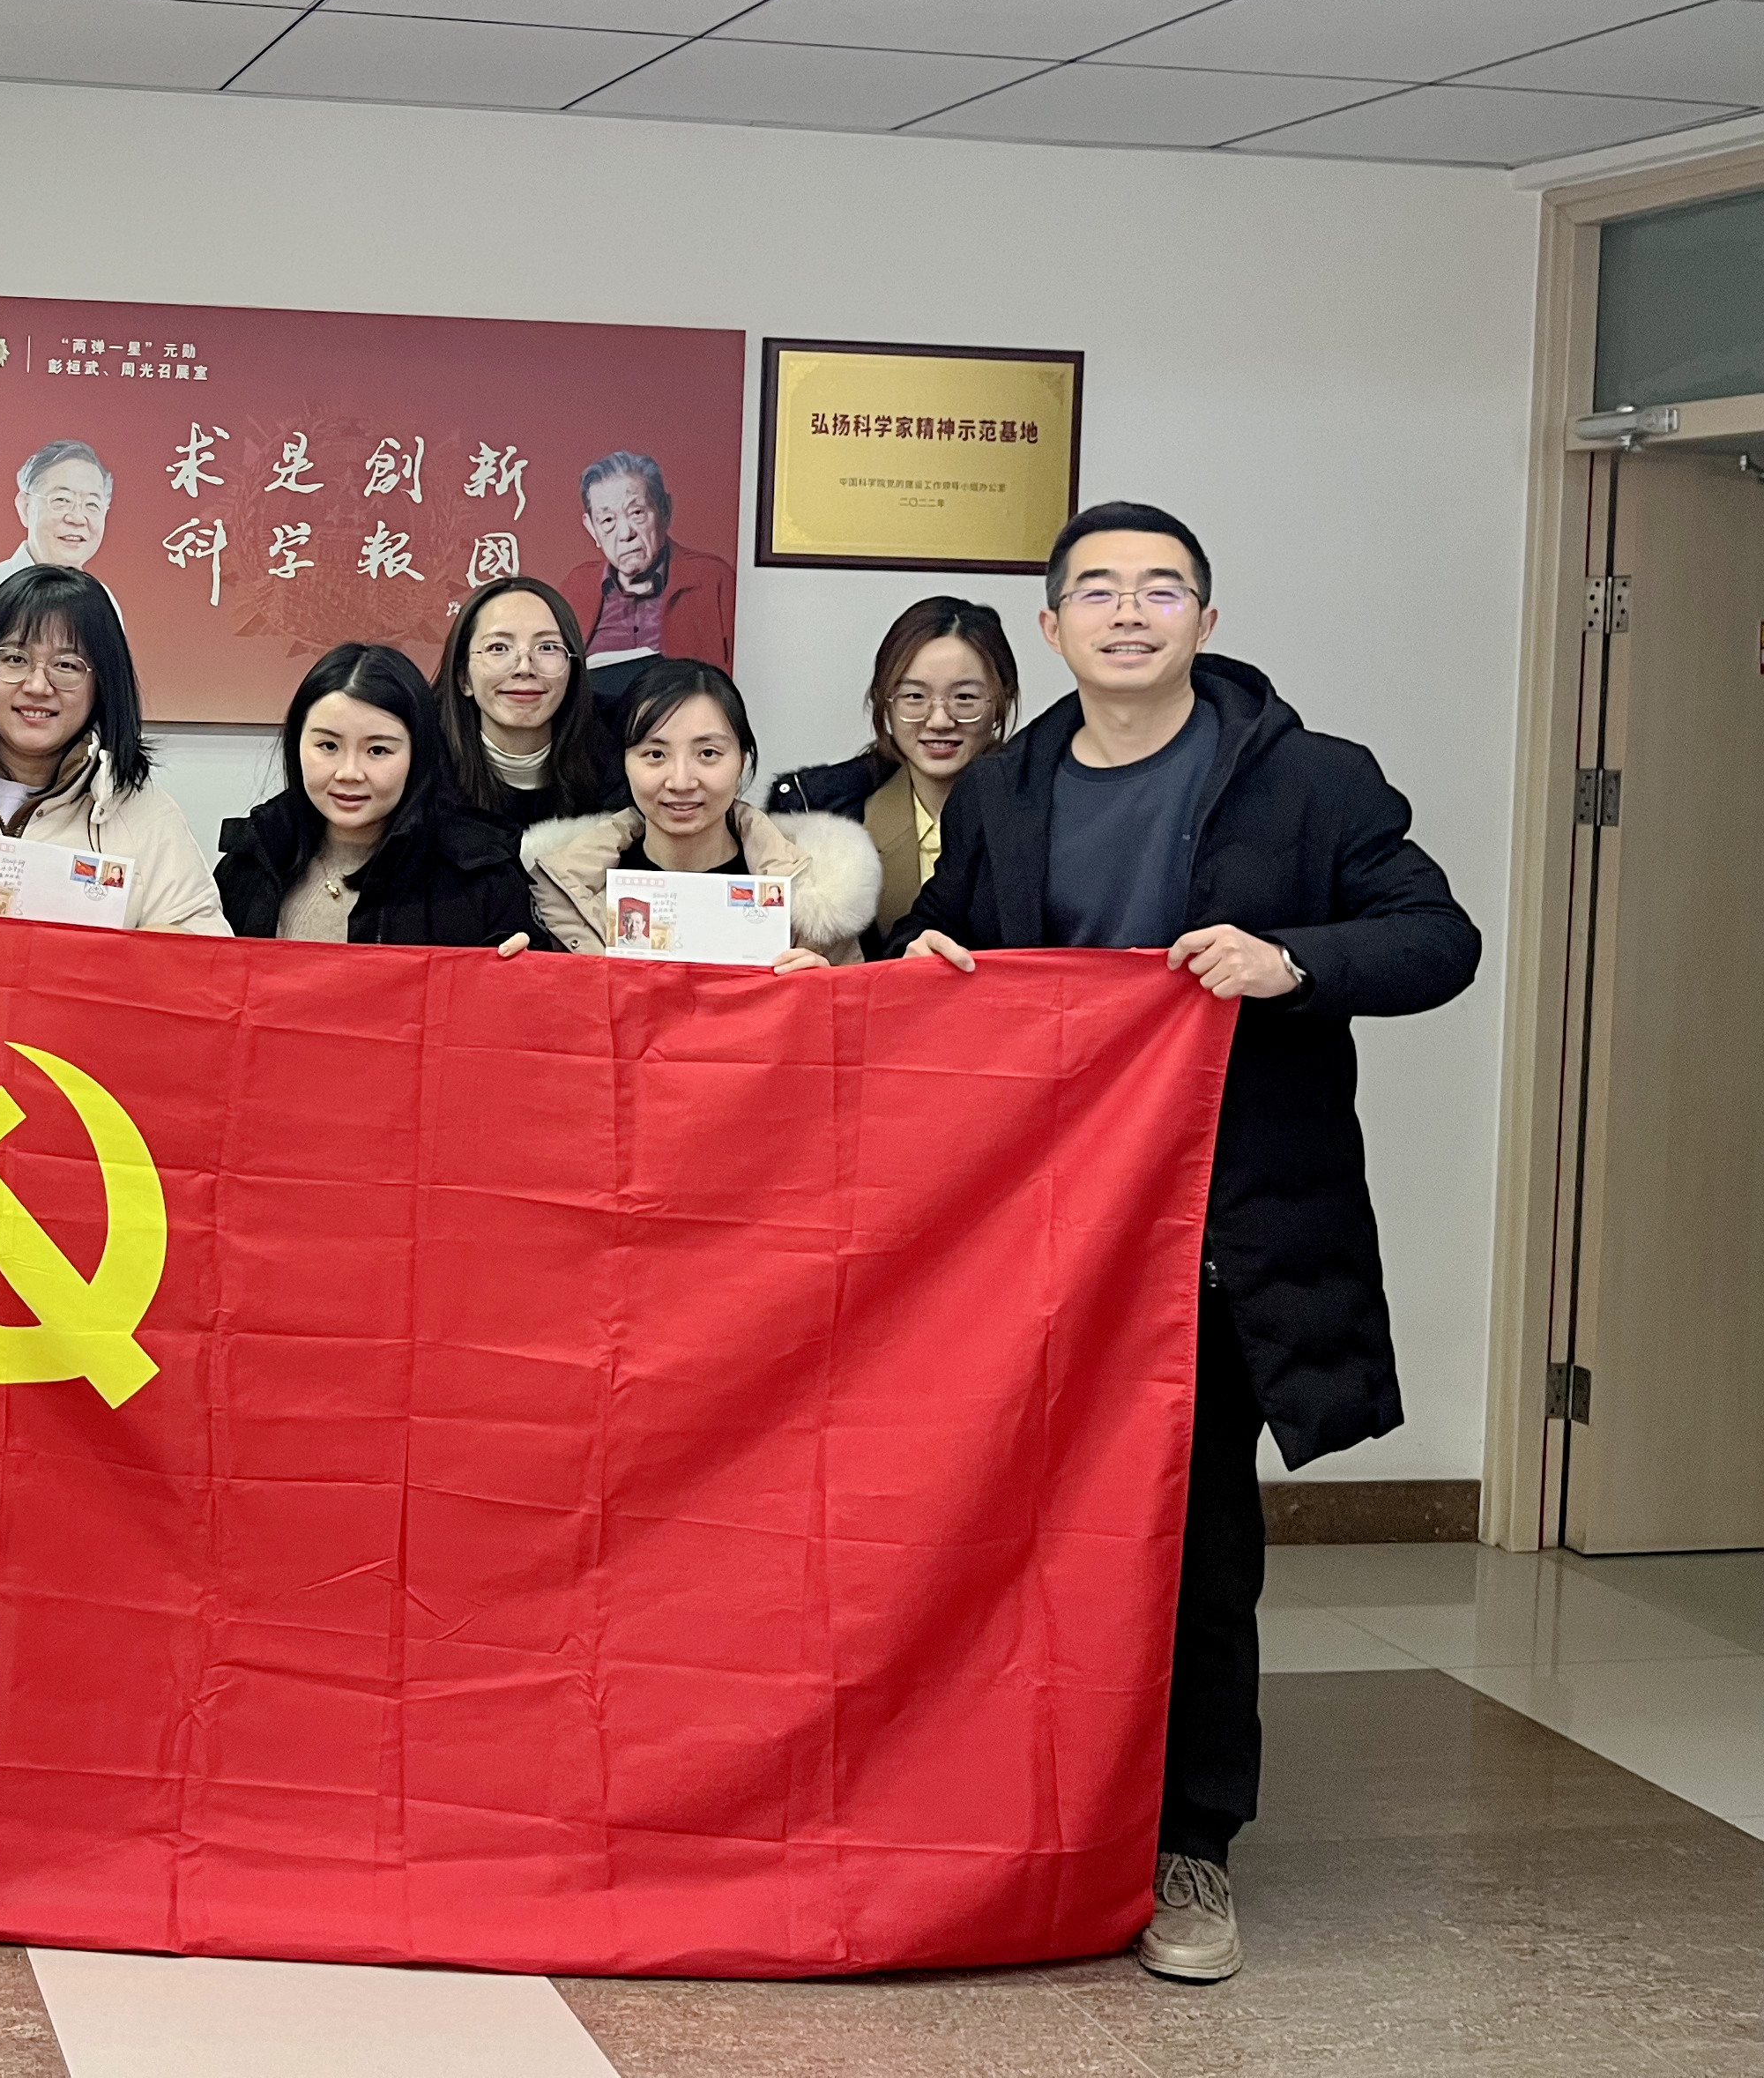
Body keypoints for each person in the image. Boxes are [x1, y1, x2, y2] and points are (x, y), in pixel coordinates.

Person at [884, 502, 1477, 1987]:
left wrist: (1294, 962)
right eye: (1096, 590)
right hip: (1041, 1236)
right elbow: (949, 940)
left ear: (1207, 620)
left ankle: (1190, 1837)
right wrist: (926, 957)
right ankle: (1025, 1806)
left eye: (1161, 590)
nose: (1128, 612)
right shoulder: (1008, 786)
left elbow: (1439, 939)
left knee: (1192, 1543)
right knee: (1014, 1525)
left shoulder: (1310, 778)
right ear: (1051, 629)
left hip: (1220, 1234)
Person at [0, 562, 227, 933]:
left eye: (66, 665)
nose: (37, 686)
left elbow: (205, 950)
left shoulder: (145, 816)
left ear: (102, 682)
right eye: (15, 659)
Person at [526, 657, 881, 960]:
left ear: (742, 762)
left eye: (708, 753)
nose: (681, 781)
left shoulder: (816, 895)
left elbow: (856, 1016)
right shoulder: (567, 890)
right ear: (625, 763)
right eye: (655, 754)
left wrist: (822, 992)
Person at [216, 641, 553, 950]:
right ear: (298, 745)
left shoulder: (481, 877)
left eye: (377, 750)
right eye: (328, 746)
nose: (349, 773)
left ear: (417, 756)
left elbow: (530, 987)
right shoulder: (252, 861)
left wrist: (523, 969)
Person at [769, 594, 1022, 942]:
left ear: (1002, 701)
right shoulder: (827, 818)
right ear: (884, 702)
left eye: (964, 697)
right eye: (914, 697)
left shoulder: (1044, 812)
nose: (939, 721)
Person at [434, 573, 623, 825]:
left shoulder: (619, 745)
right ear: (464, 679)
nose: (524, 668)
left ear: (572, 670)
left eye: (547, 647)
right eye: (498, 648)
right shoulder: (422, 760)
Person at [0, 441, 122, 680]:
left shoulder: (104, 601)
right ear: (25, 506)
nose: (77, 518)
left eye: (92, 504)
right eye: (61, 500)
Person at [577, 451, 735, 696]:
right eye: (607, 520)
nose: (625, 534)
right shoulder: (576, 587)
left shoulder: (713, 580)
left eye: (636, 513)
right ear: (592, 529)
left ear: (665, 510)